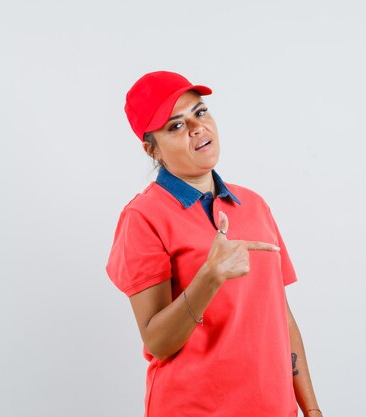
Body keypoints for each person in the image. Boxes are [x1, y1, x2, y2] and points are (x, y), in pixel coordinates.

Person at [106, 71, 322, 417]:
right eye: (175, 126)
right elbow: (157, 342)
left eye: (200, 112)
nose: (196, 128)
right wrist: (210, 277)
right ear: (152, 148)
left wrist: (310, 408)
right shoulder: (143, 218)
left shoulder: (253, 204)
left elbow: (281, 316)